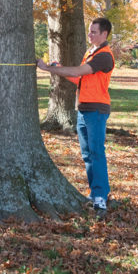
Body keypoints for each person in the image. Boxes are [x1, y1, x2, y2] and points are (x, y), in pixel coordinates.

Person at [37, 17, 115, 216]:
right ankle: (95, 192)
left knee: (96, 152)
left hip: (96, 111)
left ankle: (100, 197)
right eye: (89, 31)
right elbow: (80, 78)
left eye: (93, 32)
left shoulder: (104, 56)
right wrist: (59, 69)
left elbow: (81, 70)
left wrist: (49, 68)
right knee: (88, 154)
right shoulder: (91, 52)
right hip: (83, 110)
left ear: (104, 34)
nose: (89, 35)